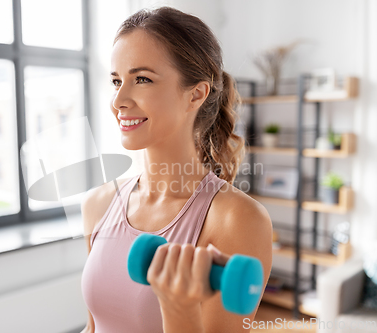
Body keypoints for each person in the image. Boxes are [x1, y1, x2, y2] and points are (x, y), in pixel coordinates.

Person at [80, 6, 272, 333]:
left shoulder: (237, 219)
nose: (118, 100)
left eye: (142, 79)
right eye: (116, 81)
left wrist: (177, 308)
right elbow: (94, 327)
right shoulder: (98, 204)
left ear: (195, 94)